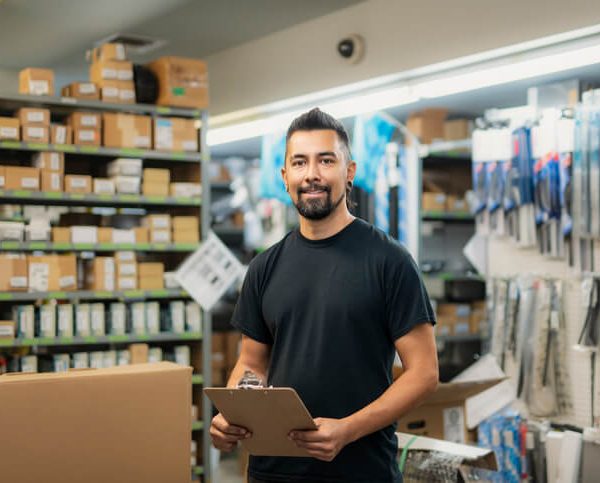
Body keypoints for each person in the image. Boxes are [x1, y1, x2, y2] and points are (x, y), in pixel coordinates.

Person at [210, 108, 438, 482]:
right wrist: (235, 414)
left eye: (326, 160)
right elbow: (252, 364)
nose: (311, 174)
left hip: (360, 471)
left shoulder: (389, 261)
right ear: (285, 177)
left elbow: (424, 373)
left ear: (349, 172)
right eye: (299, 162)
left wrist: (347, 429)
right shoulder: (264, 267)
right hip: (273, 473)